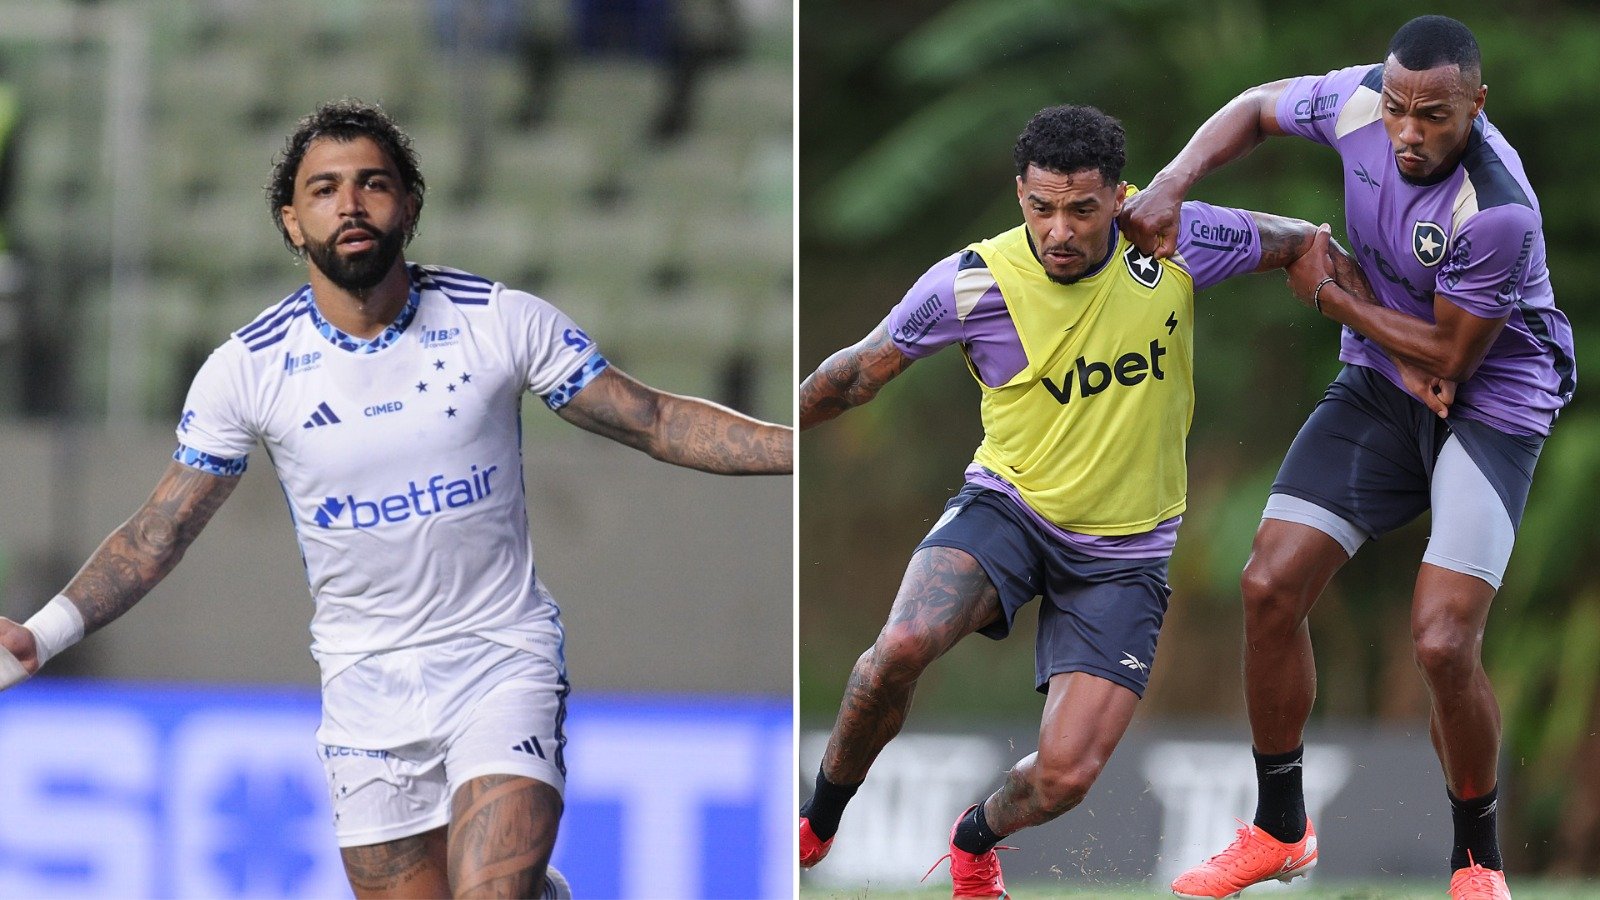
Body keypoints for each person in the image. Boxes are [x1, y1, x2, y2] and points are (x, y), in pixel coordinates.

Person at [0, 99, 791, 900]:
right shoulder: (248, 370)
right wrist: (43, 634)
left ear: (409, 205)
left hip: (498, 659)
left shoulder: (497, 321)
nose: (350, 203)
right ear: (290, 221)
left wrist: (799, 448)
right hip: (364, 696)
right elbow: (161, 529)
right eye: (324, 189)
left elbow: (652, 418)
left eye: (373, 183)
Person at [797, 103, 1341, 898]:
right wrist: (769, 434)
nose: (1059, 230)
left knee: (1064, 777)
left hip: (1125, 558)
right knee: (903, 645)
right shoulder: (973, 281)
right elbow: (853, 374)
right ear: (1020, 195)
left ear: (1120, 198)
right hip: (1009, 511)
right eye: (1040, 207)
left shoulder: (1176, 240)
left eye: (1082, 209)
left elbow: (1301, 243)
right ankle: (816, 824)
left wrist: (1373, 320)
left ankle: (974, 838)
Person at [1120, 15, 1573, 900]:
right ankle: (1279, 829)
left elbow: (1450, 359)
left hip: (1494, 405)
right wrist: (1173, 182)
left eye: (1433, 116)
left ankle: (1477, 864)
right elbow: (1255, 108)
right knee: (1268, 584)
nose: (1407, 131)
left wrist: (1326, 292)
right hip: (1381, 383)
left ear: (1476, 106)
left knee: (1443, 643)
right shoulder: (1360, 100)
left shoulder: (1498, 210)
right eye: (1399, 108)